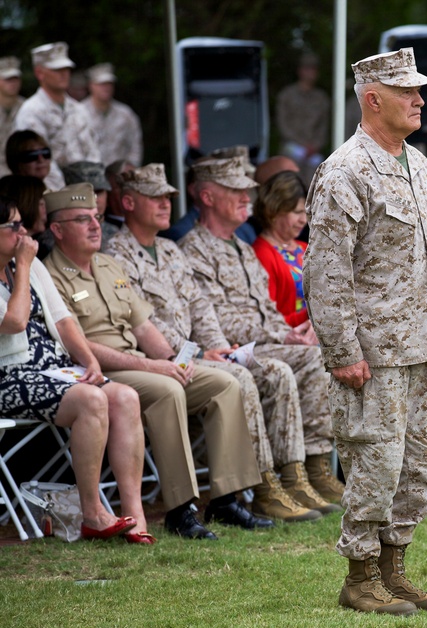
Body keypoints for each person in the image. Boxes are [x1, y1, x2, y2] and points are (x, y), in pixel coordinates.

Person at [303, 47, 427, 616]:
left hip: (418, 343)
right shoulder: (345, 171)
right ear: (373, 99)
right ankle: (360, 576)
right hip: (374, 351)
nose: (419, 100)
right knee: (376, 461)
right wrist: (343, 351)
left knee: (421, 465)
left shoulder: (414, 162)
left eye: (419, 91)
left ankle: (394, 568)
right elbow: (327, 271)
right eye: (407, 92)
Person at [106, 163, 334, 522]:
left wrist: (221, 345)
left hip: (210, 352)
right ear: (130, 203)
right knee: (270, 372)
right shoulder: (123, 255)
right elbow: (146, 324)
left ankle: (304, 472)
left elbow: (201, 309)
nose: (165, 204)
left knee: (315, 357)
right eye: (155, 197)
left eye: (168, 197)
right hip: (172, 360)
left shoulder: (171, 250)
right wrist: (204, 350)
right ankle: (263, 485)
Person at [42, 183, 268, 540]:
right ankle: (179, 509)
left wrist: (170, 359)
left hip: (140, 362)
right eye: (82, 219)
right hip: (100, 371)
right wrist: (157, 367)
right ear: (57, 230)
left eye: (97, 217)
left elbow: (143, 326)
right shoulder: (49, 275)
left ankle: (225, 498)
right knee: (166, 390)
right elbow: (78, 345)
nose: (95, 225)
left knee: (224, 383)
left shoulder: (107, 264)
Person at [178, 157, 343, 507]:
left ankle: (311, 470)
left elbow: (265, 309)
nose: (246, 198)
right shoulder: (193, 249)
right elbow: (219, 320)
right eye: (235, 191)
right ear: (207, 197)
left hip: (258, 344)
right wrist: (281, 336)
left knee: (315, 357)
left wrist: (289, 334)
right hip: (226, 350)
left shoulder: (239, 247)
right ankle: (268, 483)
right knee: (278, 370)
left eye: (246, 190)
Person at [0, 196, 154, 543]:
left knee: (125, 397)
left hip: (53, 369)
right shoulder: (25, 264)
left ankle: (136, 515)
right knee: (91, 401)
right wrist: (23, 267)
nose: (24, 233)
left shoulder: (28, 264)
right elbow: (14, 321)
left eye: (23, 224)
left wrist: (89, 360)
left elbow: (63, 319)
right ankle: (93, 514)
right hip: (9, 376)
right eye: (13, 226)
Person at [13, 43, 100, 187]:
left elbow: (93, 152)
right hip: (51, 193)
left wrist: (93, 187)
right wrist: (66, 196)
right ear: (39, 73)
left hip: (86, 190)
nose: (64, 74)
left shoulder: (79, 109)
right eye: (56, 69)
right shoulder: (31, 111)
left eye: (66, 69)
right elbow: (38, 163)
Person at [251, 171, 310, 326]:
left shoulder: (305, 248)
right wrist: (317, 314)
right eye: (297, 212)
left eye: (306, 212)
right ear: (273, 211)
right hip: (289, 342)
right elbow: (267, 322)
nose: (304, 220)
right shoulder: (261, 254)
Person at [276, 53, 330, 183]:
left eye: (313, 69)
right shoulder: (287, 95)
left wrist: (316, 145)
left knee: (320, 172)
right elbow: (283, 124)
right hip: (292, 145)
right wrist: (302, 144)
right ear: (300, 71)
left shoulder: (321, 98)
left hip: (313, 149)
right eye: (307, 69)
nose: (310, 73)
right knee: (290, 171)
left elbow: (323, 126)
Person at [81, 63, 143, 167]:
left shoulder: (126, 114)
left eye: (109, 84)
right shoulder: (78, 113)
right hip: (89, 176)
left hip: (119, 176)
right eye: (101, 84)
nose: (106, 88)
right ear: (91, 85)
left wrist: (131, 166)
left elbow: (135, 146)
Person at [62, 161, 122, 249]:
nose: (94, 199)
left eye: (99, 192)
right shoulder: (58, 237)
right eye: (86, 193)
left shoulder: (117, 234)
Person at [0, 56, 24, 178]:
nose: (13, 83)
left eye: (15, 79)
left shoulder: (27, 107)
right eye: (8, 79)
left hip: (21, 169)